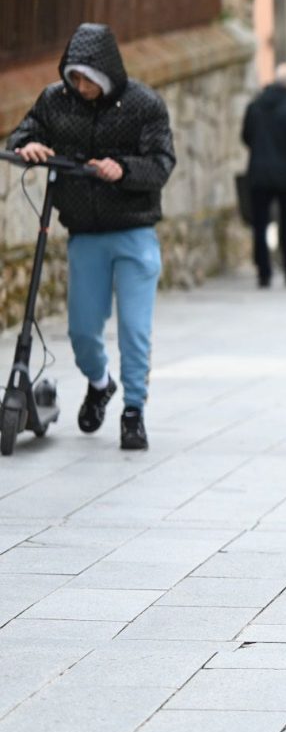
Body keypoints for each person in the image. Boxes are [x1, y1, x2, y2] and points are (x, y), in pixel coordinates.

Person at [8, 24, 175, 452]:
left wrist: (123, 169)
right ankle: (100, 383)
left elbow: (160, 163)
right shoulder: (55, 100)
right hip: (85, 234)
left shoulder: (143, 105)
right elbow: (22, 134)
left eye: (87, 79)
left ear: (106, 74)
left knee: (135, 331)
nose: (79, 86)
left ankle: (133, 411)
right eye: (74, 76)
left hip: (135, 232)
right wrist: (28, 147)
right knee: (82, 332)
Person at [241, 63, 286, 289]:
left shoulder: (256, 106)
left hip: (259, 172)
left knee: (260, 224)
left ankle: (264, 271)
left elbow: (246, 136)